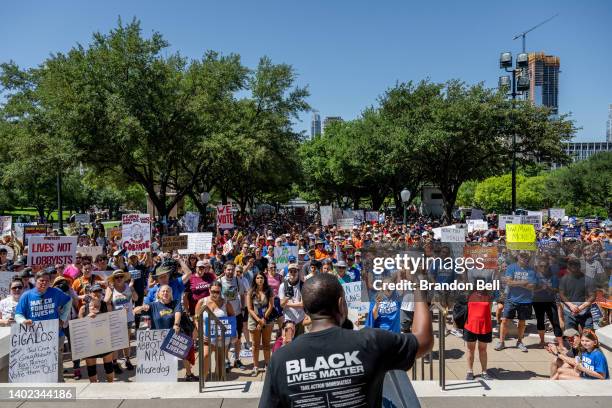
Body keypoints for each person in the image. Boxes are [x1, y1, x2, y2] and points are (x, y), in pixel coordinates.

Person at [259, 273, 433, 408]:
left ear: (305, 309)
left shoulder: (280, 359)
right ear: (342, 303)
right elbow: (424, 339)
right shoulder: (371, 342)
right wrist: (417, 286)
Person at [14, 270, 72, 382]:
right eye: (41, 280)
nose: (44, 283)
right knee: (36, 365)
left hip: (55, 335)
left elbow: (68, 301)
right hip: (34, 337)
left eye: (47, 281)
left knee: (56, 362)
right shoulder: (27, 295)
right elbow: (18, 314)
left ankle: (59, 386)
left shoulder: (55, 292)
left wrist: (62, 319)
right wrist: (23, 321)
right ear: (35, 281)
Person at [134, 284, 198, 381]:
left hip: (173, 334)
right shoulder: (153, 306)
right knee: (159, 360)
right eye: (163, 291)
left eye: (168, 291)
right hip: (157, 338)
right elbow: (135, 311)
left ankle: (189, 374)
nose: (165, 293)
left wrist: (176, 324)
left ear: (171, 294)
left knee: (184, 353)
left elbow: (178, 313)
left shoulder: (175, 303)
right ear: (159, 294)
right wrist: (142, 308)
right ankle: (159, 375)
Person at [495, 251, 537, 352]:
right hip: (511, 299)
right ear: (518, 257)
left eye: (525, 256)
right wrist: (524, 283)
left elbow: (532, 286)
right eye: (522, 256)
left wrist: (516, 283)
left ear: (528, 258)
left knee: (522, 322)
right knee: (505, 320)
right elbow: (509, 282)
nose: (523, 258)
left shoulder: (531, 270)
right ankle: (501, 342)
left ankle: (520, 342)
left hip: (525, 300)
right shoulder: (511, 267)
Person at [195, 281, 236, 380]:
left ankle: (219, 381)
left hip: (222, 337)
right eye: (213, 291)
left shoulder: (226, 303)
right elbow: (196, 318)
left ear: (220, 291)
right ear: (209, 290)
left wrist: (234, 334)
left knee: (220, 362)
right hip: (206, 336)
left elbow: (232, 317)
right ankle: (203, 378)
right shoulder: (202, 302)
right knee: (205, 356)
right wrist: (200, 332)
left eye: (217, 292)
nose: (215, 294)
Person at [78, 283, 115, 383]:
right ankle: (94, 390)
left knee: (109, 366)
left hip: (104, 339)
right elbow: (78, 328)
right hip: (90, 342)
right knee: (91, 369)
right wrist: (87, 318)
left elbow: (113, 321)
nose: (97, 294)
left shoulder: (107, 306)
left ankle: (112, 389)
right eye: (95, 291)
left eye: (99, 291)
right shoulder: (83, 309)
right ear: (89, 293)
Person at [104, 270, 137, 373]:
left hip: (128, 317)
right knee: (116, 342)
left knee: (126, 341)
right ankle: (115, 363)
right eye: (116, 277)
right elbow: (106, 302)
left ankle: (127, 359)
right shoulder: (110, 288)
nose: (119, 279)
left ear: (124, 278)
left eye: (121, 277)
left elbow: (136, 298)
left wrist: (131, 288)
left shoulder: (128, 286)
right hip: (115, 319)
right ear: (113, 279)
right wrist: (111, 290)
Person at [219, 262, 247, 370]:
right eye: (228, 269)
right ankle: (226, 361)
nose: (230, 272)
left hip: (237, 314)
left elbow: (242, 295)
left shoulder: (237, 280)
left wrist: (243, 308)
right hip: (225, 315)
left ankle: (237, 360)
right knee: (225, 340)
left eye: (232, 269)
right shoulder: (220, 281)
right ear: (224, 270)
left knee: (238, 339)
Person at [247, 270, 274, 376]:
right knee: (255, 345)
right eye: (257, 278)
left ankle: (267, 365)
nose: (260, 280)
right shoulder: (250, 291)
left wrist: (263, 319)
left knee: (267, 344)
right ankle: (256, 366)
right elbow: (249, 308)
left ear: (264, 279)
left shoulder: (269, 290)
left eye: (261, 277)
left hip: (267, 320)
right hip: (254, 321)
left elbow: (271, 306)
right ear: (254, 279)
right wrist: (258, 320)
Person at [532, 256, 563, 347]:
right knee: (540, 320)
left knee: (555, 322)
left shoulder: (553, 276)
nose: (543, 268)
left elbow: (556, 290)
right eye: (541, 266)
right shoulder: (535, 276)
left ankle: (561, 344)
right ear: (538, 267)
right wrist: (541, 288)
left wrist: (549, 288)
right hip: (537, 301)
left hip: (550, 301)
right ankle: (542, 341)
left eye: (545, 266)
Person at [463, 289, 493, 380]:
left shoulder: (489, 294)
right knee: (470, 349)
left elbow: (490, 308)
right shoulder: (469, 292)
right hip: (470, 325)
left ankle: (484, 372)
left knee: (483, 349)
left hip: (485, 325)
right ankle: (469, 371)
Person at [279, 263, 305, 336]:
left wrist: (288, 304)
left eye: (295, 271)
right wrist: (287, 298)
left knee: (299, 343)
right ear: (288, 272)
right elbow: (282, 304)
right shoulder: (283, 286)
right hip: (288, 319)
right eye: (291, 271)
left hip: (300, 319)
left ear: (298, 272)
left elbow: (302, 304)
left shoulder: (303, 285)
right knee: (288, 341)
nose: (293, 273)